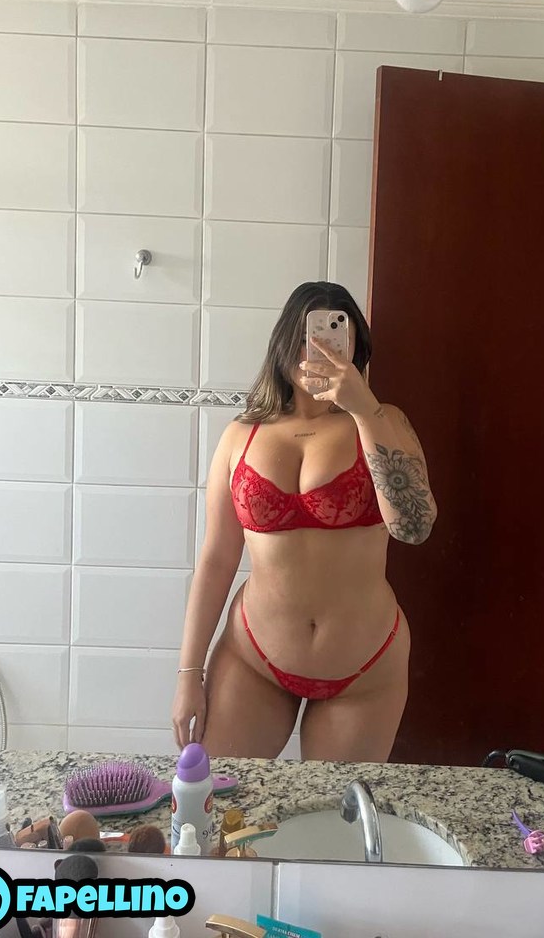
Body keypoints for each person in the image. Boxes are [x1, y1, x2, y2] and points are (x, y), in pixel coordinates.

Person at [171, 281, 437, 761]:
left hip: (364, 669)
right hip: (253, 659)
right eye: (304, 337)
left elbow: (413, 528)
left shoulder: (384, 420)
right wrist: (189, 673)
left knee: (335, 808)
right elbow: (216, 559)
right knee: (220, 800)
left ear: (355, 348)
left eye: (333, 337)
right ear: (282, 343)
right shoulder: (241, 435)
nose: (315, 350)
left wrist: (364, 409)